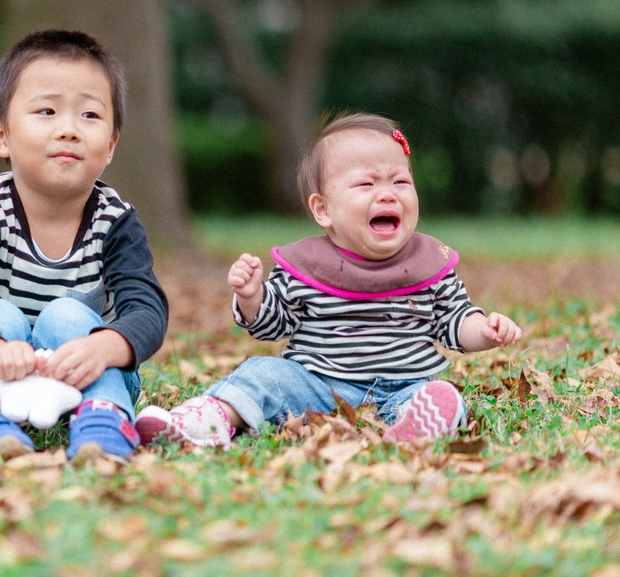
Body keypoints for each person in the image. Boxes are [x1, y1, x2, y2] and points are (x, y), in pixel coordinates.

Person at [137, 113, 522, 448]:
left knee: (439, 395)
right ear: (323, 209)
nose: (387, 195)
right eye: (366, 185)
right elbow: (274, 324)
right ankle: (203, 423)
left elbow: (454, 321)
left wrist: (485, 331)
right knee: (264, 373)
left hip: (404, 388)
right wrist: (253, 296)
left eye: (400, 182)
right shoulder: (307, 265)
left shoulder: (428, 264)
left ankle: (417, 426)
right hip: (317, 388)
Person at [0, 30, 168, 462]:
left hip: (86, 372)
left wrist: (104, 348)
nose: (68, 130)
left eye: (89, 116)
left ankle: (103, 420)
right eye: (46, 111)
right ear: (1, 135)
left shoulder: (116, 221)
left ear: (112, 145)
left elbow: (147, 308)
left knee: (67, 313)